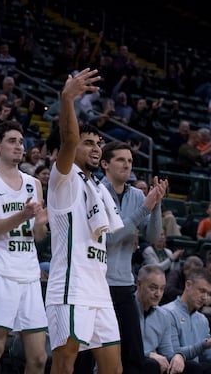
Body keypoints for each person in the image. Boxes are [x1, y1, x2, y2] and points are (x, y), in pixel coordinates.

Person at [44, 68, 124, 374]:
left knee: (113, 368)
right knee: (65, 363)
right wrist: (67, 98)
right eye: (88, 142)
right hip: (70, 285)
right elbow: (68, 138)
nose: (95, 147)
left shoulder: (98, 189)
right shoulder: (64, 179)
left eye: (98, 143)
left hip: (98, 287)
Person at [0, 120, 49, 374]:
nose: (19, 146)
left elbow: (38, 236)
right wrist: (22, 216)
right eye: (12, 141)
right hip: (0, 273)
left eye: (21, 141)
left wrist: (40, 223)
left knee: (39, 358)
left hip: (29, 275)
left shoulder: (33, 183)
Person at [100, 141, 167, 374]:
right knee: (93, 356)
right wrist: (145, 209)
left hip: (124, 283)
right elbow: (109, 239)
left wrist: (155, 204)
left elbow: (152, 235)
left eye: (130, 161)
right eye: (120, 160)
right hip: (98, 285)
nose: (127, 165)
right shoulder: (96, 193)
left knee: (134, 357)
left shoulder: (138, 195)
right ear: (105, 164)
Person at [135, 264, 201, 374]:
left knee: (193, 367)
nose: (158, 294)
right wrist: (149, 354)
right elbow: (121, 348)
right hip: (130, 362)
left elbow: (167, 352)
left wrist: (179, 356)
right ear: (139, 284)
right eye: (153, 288)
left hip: (152, 364)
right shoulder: (126, 310)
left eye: (162, 289)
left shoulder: (163, 315)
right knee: (151, 364)